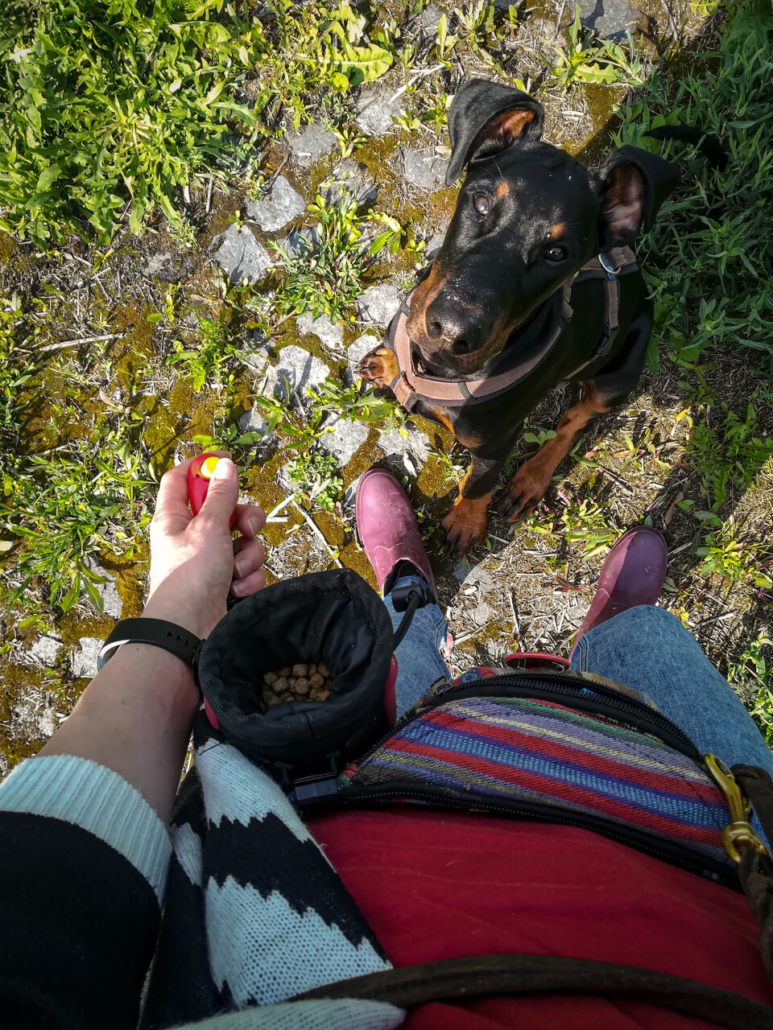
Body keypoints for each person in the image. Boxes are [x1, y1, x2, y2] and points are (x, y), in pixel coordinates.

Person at [0, 455, 772, 1030]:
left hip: (360, 796)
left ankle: (410, 595)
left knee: (391, 656)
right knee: (654, 651)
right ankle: (607, 644)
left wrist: (178, 607)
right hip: (717, 874)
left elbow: (48, 896)